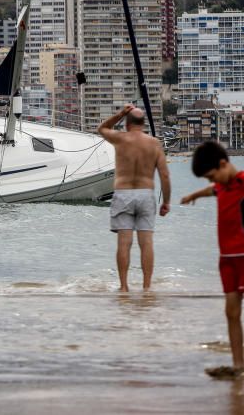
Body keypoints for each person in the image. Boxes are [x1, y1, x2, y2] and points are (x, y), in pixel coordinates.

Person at [182, 140, 244, 377]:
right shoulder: (222, 187)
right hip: (227, 259)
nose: (212, 181)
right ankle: (239, 366)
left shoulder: (241, 181)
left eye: (212, 175)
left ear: (223, 163)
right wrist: (192, 195)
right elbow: (212, 191)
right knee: (231, 313)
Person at [97, 103, 171, 292]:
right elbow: (164, 175)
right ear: (143, 124)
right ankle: (146, 287)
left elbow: (102, 128)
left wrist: (121, 113)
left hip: (123, 194)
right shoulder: (154, 143)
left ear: (127, 124)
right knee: (146, 243)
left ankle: (123, 287)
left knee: (124, 242)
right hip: (146, 194)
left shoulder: (121, 138)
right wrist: (166, 202)